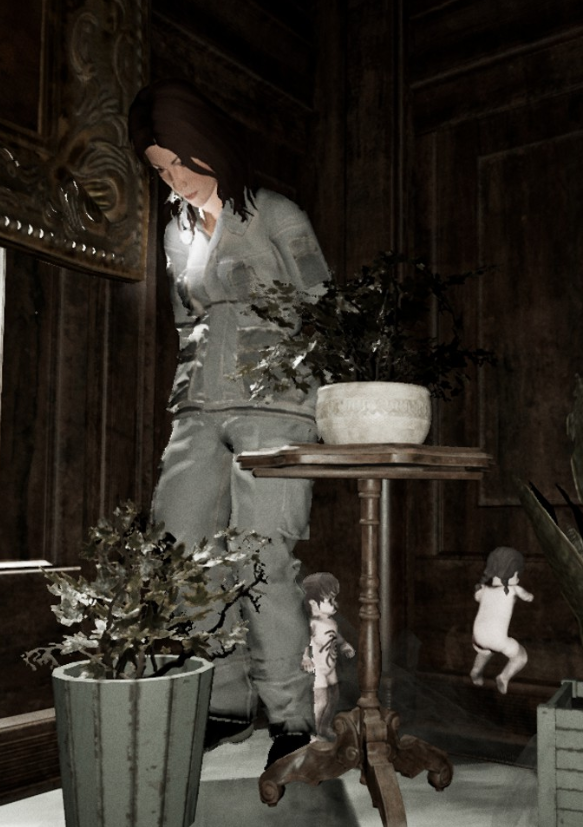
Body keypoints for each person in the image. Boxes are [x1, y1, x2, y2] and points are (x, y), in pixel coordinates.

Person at [129, 79, 331, 767]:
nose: (176, 179)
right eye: (162, 170)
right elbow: (183, 321)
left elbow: (324, 306)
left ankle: (291, 718)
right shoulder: (175, 231)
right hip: (197, 409)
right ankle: (223, 701)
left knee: (265, 559)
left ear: (208, 146)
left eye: (181, 162)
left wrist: (323, 402)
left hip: (276, 407)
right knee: (184, 553)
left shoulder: (275, 214)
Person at [469, 546, 533, 694]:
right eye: (517, 574)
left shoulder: (483, 590)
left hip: (478, 637)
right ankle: (504, 676)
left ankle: (476, 671)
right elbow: (527, 597)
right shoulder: (513, 589)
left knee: (485, 652)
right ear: (512, 573)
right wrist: (528, 596)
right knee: (521, 657)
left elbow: (477, 597)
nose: (518, 578)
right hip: (498, 640)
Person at [299, 572, 355, 741]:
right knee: (321, 701)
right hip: (318, 669)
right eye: (329, 601)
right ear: (313, 604)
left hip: (330, 668)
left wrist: (344, 645)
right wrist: (305, 657)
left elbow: (336, 636)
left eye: (334, 599)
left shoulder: (332, 622)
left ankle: (324, 726)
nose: (335, 604)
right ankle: (313, 732)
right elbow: (304, 641)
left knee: (334, 698)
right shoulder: (312, 624)